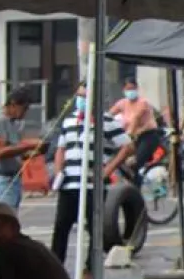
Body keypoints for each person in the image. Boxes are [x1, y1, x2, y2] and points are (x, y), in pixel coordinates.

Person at [51, 85, 134, 266]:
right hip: (69, 184)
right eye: (79, 96)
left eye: (84, 96)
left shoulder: (106, 121)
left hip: (92, 184)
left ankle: (90, 267)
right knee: (61, 227)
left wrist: (107, 170)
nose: (80, 100)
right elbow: (60, 148)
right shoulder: (69, 120)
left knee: (94, 228)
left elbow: (127, 146)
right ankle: (55, 265)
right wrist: (58, 172)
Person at [0, 89, 41, 210]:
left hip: (11, 179)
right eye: (24, 108)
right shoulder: (0, 121)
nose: (25, 113)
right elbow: (0, 151)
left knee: (8, 218)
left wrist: (34, 152)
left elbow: (14, 152)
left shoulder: (12, 124)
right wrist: (29, 145)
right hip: (3, 180)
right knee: (6, 220)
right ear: (13, 104)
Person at [108, 78, 160, 179]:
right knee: (122, 165)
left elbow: (136, 119)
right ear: (124, 90)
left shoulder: (142, 103)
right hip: (132, 138)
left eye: (133, 88)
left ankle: (137, 186)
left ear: (137, 89)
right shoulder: (122, 103)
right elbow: (109, 115)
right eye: (128, 89)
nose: (130, 91)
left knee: (134, 163)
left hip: (147, 136)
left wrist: (129, 135)